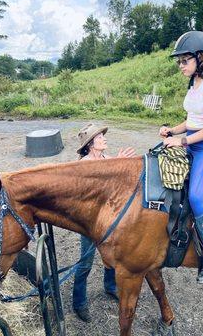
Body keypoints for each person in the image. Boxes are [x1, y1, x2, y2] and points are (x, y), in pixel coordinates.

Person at [159, 31, 203, 285]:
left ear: (201, 57)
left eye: (184, 61)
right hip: (192, 143)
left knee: (197, 195)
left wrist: (183, 140)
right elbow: (192, 120)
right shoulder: (195, 83)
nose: (181, 66)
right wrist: (172, 131)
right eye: (179, 62)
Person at [73, 123, 135, 322]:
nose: (104, 139)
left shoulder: (108, 159)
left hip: (109, 219)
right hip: (90, 222)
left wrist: (120, 164)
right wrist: (115, 164)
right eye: (100, 137)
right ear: (90, 144)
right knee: (85, 262)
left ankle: (110, 286)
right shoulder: (83, 164)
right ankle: (79, 302)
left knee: (112, 256)